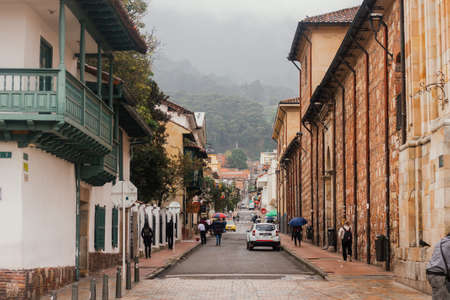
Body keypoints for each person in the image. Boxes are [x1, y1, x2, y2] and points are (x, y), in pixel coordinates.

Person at [426, 234, 450, 299]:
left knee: (439, 295)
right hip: (438, 274)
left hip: (430, 272)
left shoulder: (440, 242)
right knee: (441, 297)